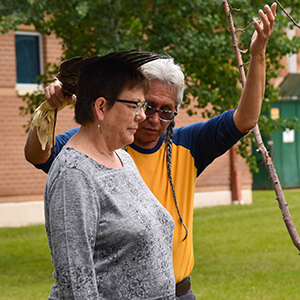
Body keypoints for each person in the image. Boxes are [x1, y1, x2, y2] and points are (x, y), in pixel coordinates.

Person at [24, 4, 277, 299]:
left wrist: (257, 55)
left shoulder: (164, 149)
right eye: (144, 105)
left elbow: (245, 119)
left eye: (165, 111)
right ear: (104, 107)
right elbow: (39, 156)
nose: (150, 118)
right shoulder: (88, 154)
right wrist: (50, 109)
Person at [41, 50, 177, 299]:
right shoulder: (74, 175)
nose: (142, 115)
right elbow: (76, 285)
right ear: (101, 107)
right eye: (135, 105)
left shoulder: (122, 158)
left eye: (142, 105)